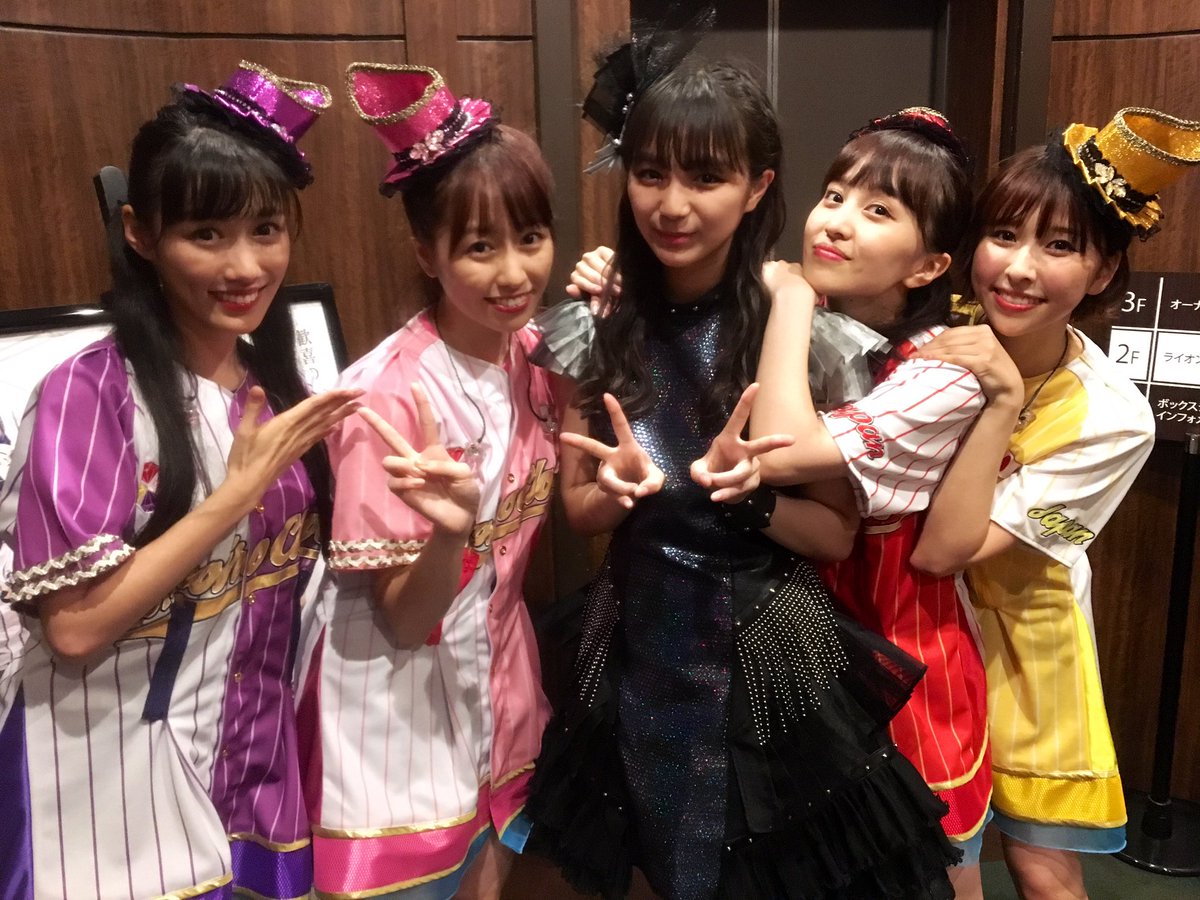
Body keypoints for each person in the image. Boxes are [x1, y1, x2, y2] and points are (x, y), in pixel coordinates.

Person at [526, 52, 959, 900]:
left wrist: (749, 498)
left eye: (706, 178)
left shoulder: (805, 336)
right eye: (651, 174)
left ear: (757, 188)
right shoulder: (598, 320)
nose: (672, 204)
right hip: (634, 648)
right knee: (650, 862)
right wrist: (614, 491)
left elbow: (833, 536)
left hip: (765, 664)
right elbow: (577, 510)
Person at [0, 62, 361, 897]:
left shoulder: (276, 388)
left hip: (249, 768)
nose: (245, 264)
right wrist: (231, 501)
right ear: (139, 233)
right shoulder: (88, 395)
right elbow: (75, 629)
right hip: (101, 790)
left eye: (266, 229)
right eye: (206, 234)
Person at [909, 107, 1200, 899]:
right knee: (940, 859)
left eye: (1060, 245)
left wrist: (1001, 398)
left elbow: (953, 549)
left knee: (1044, 873)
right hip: (921, 633)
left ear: (1103, 272)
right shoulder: (931, 335)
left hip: (1029, 647)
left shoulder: (1111, 417)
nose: (1018, 268)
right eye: (1003, 234)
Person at [299, 63, 559, 900]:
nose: (514, 272)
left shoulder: (535, 357)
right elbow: (406, 621)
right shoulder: (384, 398)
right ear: (427, 253)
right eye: (480, 247)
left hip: (500, 684)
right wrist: (451, 531)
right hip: (393, 708)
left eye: (531, 237)